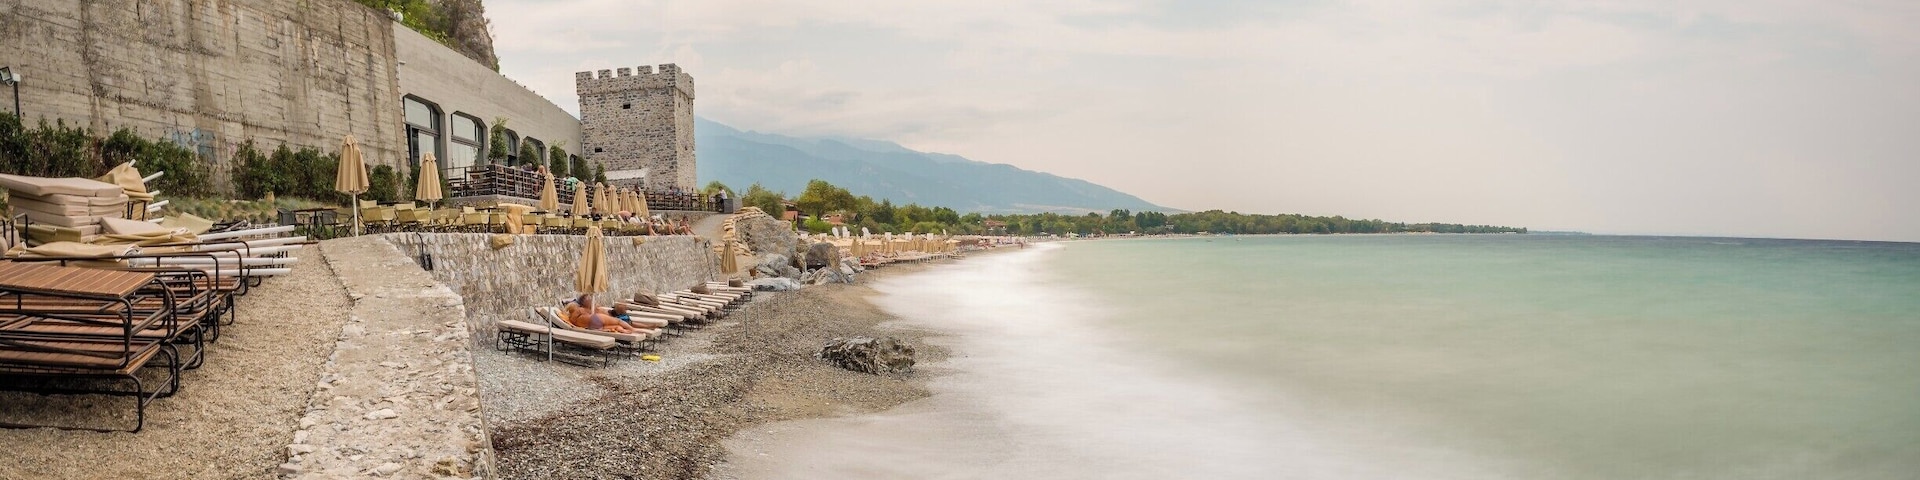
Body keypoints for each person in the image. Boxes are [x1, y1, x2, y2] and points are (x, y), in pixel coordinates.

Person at [566, 295, 640, 334]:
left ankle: (625, 330)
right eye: (589, 299)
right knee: (618, 321)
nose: (591, 300)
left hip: (593, 325)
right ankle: (633, 330)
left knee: (617, 326)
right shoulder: (581, 310)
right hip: (596, 319)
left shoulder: (575, 317)